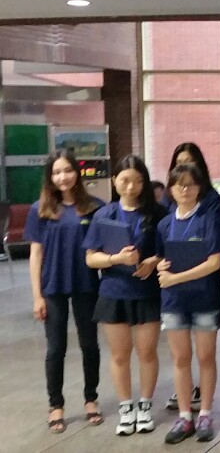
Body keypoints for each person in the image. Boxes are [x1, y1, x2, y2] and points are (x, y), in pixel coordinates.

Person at [83, 155, 167, 436]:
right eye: (125, 180)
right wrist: (116, 259)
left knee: (147, 352)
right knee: (120, 355)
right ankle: (125, 408)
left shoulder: (157, 214)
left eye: (138, 181)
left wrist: (152, 262)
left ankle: (145, 406)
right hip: (113, 292)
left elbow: (168, 251)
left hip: (146, 292)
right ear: (114, 181)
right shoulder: (103, 215)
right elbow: (91, 258)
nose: (131, 187)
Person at [26, 149, 106, 434]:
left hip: (86, 285)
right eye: (57, 172)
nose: (63, 177)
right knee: (55, 348)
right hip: (53, 286)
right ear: (50, 177)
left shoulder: (94, 207)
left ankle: (91, 399)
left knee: (89, 345)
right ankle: (56, 405)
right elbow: (36, 254)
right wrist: (37, 296)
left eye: (68, 170)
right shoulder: (40, 209)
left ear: (77, 172)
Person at [155, 163, 220, 444]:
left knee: (206, 357)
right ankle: (185, 416)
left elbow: (214, 262)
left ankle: (205, 413)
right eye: (179, 184)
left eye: (191, 184)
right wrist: (161, 268)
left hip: (205, 298)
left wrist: (176, 277)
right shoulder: (164, 224)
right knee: (180, 358)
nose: (185, 189)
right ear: (171, 189)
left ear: (199, 188)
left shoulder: (209, 220)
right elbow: (161, 258)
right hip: (174, 301)